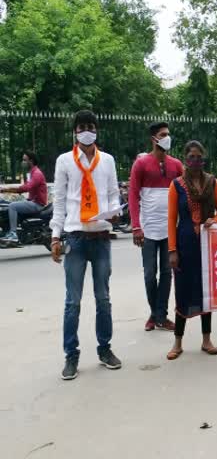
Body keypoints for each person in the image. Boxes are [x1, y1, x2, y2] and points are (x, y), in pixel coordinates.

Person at [50, 110, 122, 380]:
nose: (87, 131)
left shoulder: (108, 161)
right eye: (82, 127)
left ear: (96, 130)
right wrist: (55, 236)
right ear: (75, 132)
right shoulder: (65, 161)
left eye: (91, 126)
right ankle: (71, 355)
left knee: (103, 299)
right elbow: (59, 201)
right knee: (73, 301)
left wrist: (115, 211)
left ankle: (105, 349)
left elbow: (114, 194)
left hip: (101, 238)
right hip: (76, 239)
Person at [166, 141, 217, 361]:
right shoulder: (176, 185)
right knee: (182, 291)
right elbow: (172, 218)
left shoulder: (212, 182)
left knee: (205, 292)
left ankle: (206, 339)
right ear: (185, 159)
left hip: (207, 244)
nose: (195, 161)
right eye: (191, 157)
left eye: (199, 157)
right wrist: (172, 250)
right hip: (184, 245)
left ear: (204, 159)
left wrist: (215, 220)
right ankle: (178, 342)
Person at [129, 122, 184, 332]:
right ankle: (156, 313)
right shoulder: (141, 164)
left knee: (167, 273)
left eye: (168, 134)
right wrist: (136, 227)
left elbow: (185, 192)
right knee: (149, 274)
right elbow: (133, 196)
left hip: (170, 229)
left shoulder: (176, 165)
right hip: (148, 228)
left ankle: (160, 315)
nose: (167, 138)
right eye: (163, 135)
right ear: (154, 139)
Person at [0, 151, 48, 245]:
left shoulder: (37, 174)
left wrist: (5, 189)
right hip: (32, 201)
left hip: (37, 204)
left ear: (31, 161)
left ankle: (13, 233)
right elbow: (25, 187)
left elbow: (26, 188)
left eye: (24, 160)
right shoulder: (31, 173)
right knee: (7, 204)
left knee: (13, 206)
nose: (23, 162)